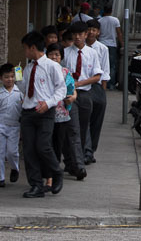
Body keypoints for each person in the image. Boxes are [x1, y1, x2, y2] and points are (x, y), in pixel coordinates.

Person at [19, 30, 66, 198]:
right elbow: (24, 89)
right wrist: (18, 77)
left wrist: (49, 103)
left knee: (43, 145)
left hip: (45, 112)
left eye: (25, 48)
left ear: (33, 48)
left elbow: (61, 89)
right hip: (28, 112)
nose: (25, 52)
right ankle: (36, 185)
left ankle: (56, 172)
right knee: (29, 149)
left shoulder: (52, 66)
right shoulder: (28, 68)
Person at [44, 43, 85, 182]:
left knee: (61, 141)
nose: (54, 57)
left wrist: (72, 97)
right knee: (47, 143)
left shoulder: (65, 72)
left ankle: (59, 172)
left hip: (62, 113)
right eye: (51, 54)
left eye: (57, 54)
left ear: (61, 57)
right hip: (46, 112)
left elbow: (72, 88)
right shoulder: (42, 71)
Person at [62, 21, 101, 159]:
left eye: (80, 34)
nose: (77, 37)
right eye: (75, 34)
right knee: (72, 127)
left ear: (86, 34)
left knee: (83, 126)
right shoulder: (65, 52)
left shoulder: (92, 53)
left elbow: (97, 76)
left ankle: (81, 155)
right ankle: (71, 157)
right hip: (69, 94)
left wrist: (79, 84)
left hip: (85, 93)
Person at [0, 62, 23, 187]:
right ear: (1, 78)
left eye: (12, 76)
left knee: (12, 152)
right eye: (6, 77)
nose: (9, 79)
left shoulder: (19, 92)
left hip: (14, 126)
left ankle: (14, 168)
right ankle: (0, 178)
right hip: (0, 126)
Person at [85, 20, 110, 163]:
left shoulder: (102, 49)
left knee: (96, 120)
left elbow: (105, 71)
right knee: (85, 119)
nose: (91, 32)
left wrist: (102, 92)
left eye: (94, 30)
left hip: (97, 86)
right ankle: (86, 151)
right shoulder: (79, 48)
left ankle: (91, 149)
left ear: (98, 32)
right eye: (89, 29)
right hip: (83, 86)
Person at [98, 2, 122, 90]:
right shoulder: (115, 20)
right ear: (111, 11)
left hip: (101, 44)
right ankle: (111, 84)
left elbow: (98, 33)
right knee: (112, 66)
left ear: (103, 11)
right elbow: (119, 33)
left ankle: (102, 83)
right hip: (112, 45)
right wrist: (122, 44)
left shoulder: (100, 21)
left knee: (101, 65)